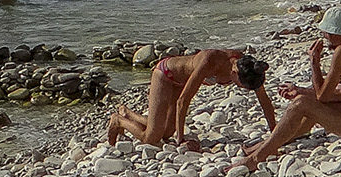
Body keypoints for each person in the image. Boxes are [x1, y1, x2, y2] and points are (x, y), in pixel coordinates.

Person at [234, 7, 341, 171]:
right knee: (308, 102)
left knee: (301, 104)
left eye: (326, 32)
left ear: (334, 32)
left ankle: (256, 158)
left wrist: (314, 62)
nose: (324, 36)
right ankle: (269, 144)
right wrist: (300, 90)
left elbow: (323, 97)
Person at [106, 49, 277, 151]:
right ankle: (118, 120)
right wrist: (181, 140)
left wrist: (275, 132)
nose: (243, 89)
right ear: (234, 73)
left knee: (166, 133)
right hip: (165, 75)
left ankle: (127, 112)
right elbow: (183, 101)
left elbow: (264, 100)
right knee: (151, 137)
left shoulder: (250, 68)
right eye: (242, 86)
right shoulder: (211, 61)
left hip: (181, 82)